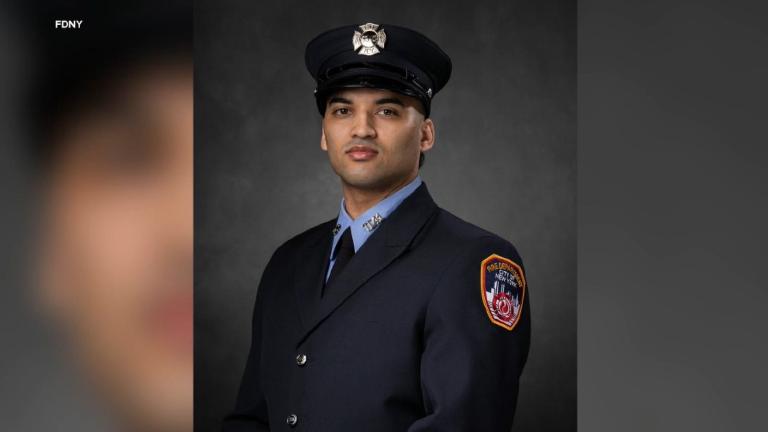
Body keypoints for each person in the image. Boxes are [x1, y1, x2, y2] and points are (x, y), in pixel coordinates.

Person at [224, 22, 530, 431]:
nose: (362, 128)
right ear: (324, 134)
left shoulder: (475, 261)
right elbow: (251, 417)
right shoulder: (287, 262)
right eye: (343, 110)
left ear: (425, 134)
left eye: (386, 110)